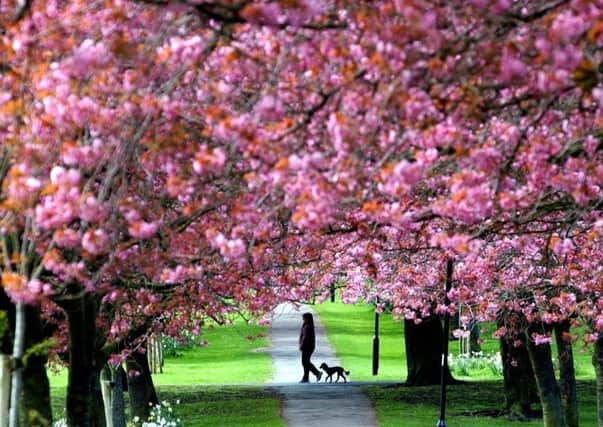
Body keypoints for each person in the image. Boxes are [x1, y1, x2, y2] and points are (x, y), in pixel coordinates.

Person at [299, 312, 322, 383]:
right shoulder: (307, 325)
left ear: (307, 318)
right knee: (305, 362)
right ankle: (306, 378)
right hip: (308, 346)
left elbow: (305, 338)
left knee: (305, 362)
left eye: (304, 318)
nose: (303, 319)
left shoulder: (308, 326)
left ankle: (317, 373)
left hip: (307, 346)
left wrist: (302, 345)